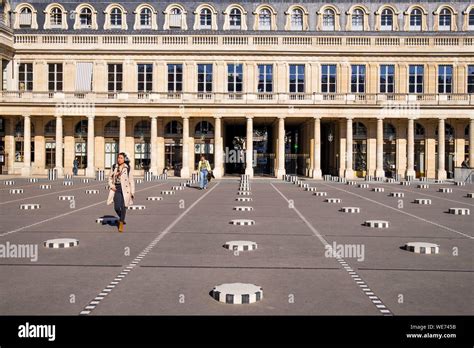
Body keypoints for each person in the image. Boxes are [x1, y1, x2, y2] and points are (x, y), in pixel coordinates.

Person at [107, 153, 135, 233]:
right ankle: (122, 218)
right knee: (116, 207)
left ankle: (121, 223)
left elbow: (131, 180)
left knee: (123, 206)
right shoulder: (114, 167)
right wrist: (111, 185)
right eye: (118, 158)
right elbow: (109, 178)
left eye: (121, 158)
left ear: (124, 159)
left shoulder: (128, 168)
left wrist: (132, 192)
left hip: (125, 189)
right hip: (117, 188)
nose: (119, 159)